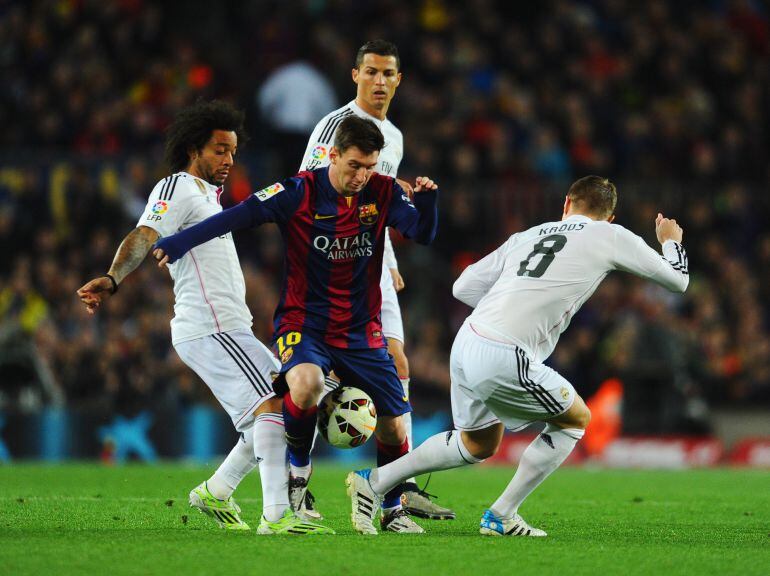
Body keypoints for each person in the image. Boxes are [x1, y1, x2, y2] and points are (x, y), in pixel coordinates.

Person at [346, 175, 689, 536]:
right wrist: (670, 242)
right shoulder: (609, 235)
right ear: (610, 218)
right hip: (504, 351)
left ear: (566, 204)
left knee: (477, 442)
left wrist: (510, 303)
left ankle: (375, 480)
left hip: (467, 341)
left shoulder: (529, 235)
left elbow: (462, 286)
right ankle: (502, 514)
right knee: (574, 420)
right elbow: (678, 280)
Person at [153, 116, 439, 533]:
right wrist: (178, 242)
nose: (362, 176)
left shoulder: (383, 191)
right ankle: (297, 480)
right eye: (355, 165)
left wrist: (428, 203)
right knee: (305, 385)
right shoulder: (297, 191)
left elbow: (422, 233)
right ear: (333, 155)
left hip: (361, 330)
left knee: (395, 425)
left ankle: (393, 509)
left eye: (370, 167)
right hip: (304, 325)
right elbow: (237, 216)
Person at [76, 100, 332, 535]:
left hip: (228, 327)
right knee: (273, 406)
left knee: (288, 406)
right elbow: (145, 233)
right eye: (219, 150)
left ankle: (217, 490)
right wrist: (114, 276)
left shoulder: (210, 197)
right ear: (194, 148)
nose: (229, 160)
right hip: (211, 328)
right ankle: (275, 516)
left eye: (233, 151)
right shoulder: (177, 187)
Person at [298, 39, 455, 521]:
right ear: (355, 75)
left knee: (398, 363)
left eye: (389, 73)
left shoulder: (396, 137)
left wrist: (388, 260)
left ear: (399, 80)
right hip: (333, 267)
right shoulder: (335, 126)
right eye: (371, 72)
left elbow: (373, 204)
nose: (380, 82)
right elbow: (308, 195)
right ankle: (291, 482)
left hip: (373, 263)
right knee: (313, 380)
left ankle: (393, 490)